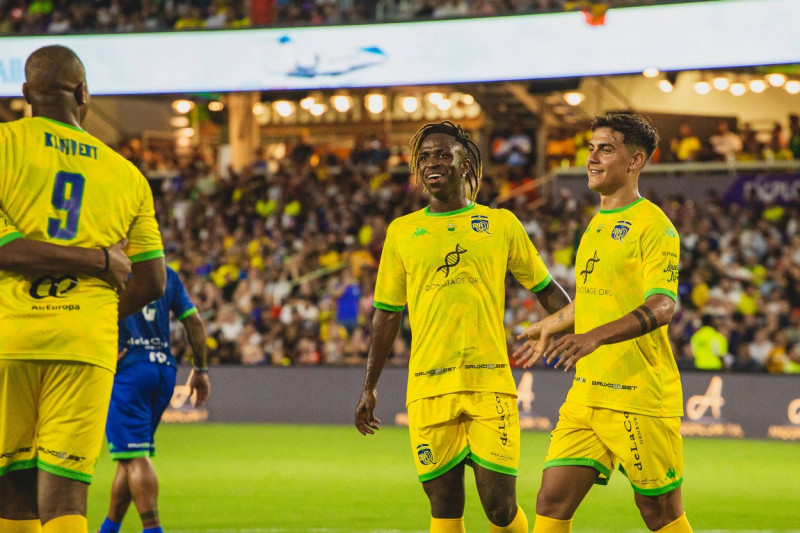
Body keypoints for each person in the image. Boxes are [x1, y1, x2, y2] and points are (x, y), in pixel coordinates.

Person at [354, 121, 571, 533]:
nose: (431, 162)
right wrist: (370, 385)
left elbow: (548, 290)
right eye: (424, 157)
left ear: (466, 162)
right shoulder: (402, 232)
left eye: (441, 153)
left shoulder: (500, 224)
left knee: (499, 507)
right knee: (445, 504)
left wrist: (578, 333)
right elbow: (387, 313)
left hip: (489, 383)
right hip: (428, 385)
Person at [0, 45, 165, 533]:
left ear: (27, 93)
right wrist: (98, 265)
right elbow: (153, 280)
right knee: (66, 489)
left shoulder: (5, 145)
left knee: (11, 485)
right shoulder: (128, 175)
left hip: (10, 337)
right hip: (86, 341)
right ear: (83, 94)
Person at [514, 112, 693, 533]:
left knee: (659, 513)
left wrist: (594, 338)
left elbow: (663, 306)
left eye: (606, 149)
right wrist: (552, 323)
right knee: (551, 500)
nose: (592, 158)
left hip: (637, 395)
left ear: (636, 161)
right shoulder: (596, 225)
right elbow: (595, 301)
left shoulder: (655, 227)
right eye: (591, 148)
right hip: (587, 393)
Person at [99, 266, 210, 533]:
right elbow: (194, 321)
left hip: (129, 369)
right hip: (163, 369)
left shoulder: (110, 268)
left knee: (135, 457)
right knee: (130, 455)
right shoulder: (165, 273)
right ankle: (109, 528)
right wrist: (201, 370)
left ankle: (153, 529)